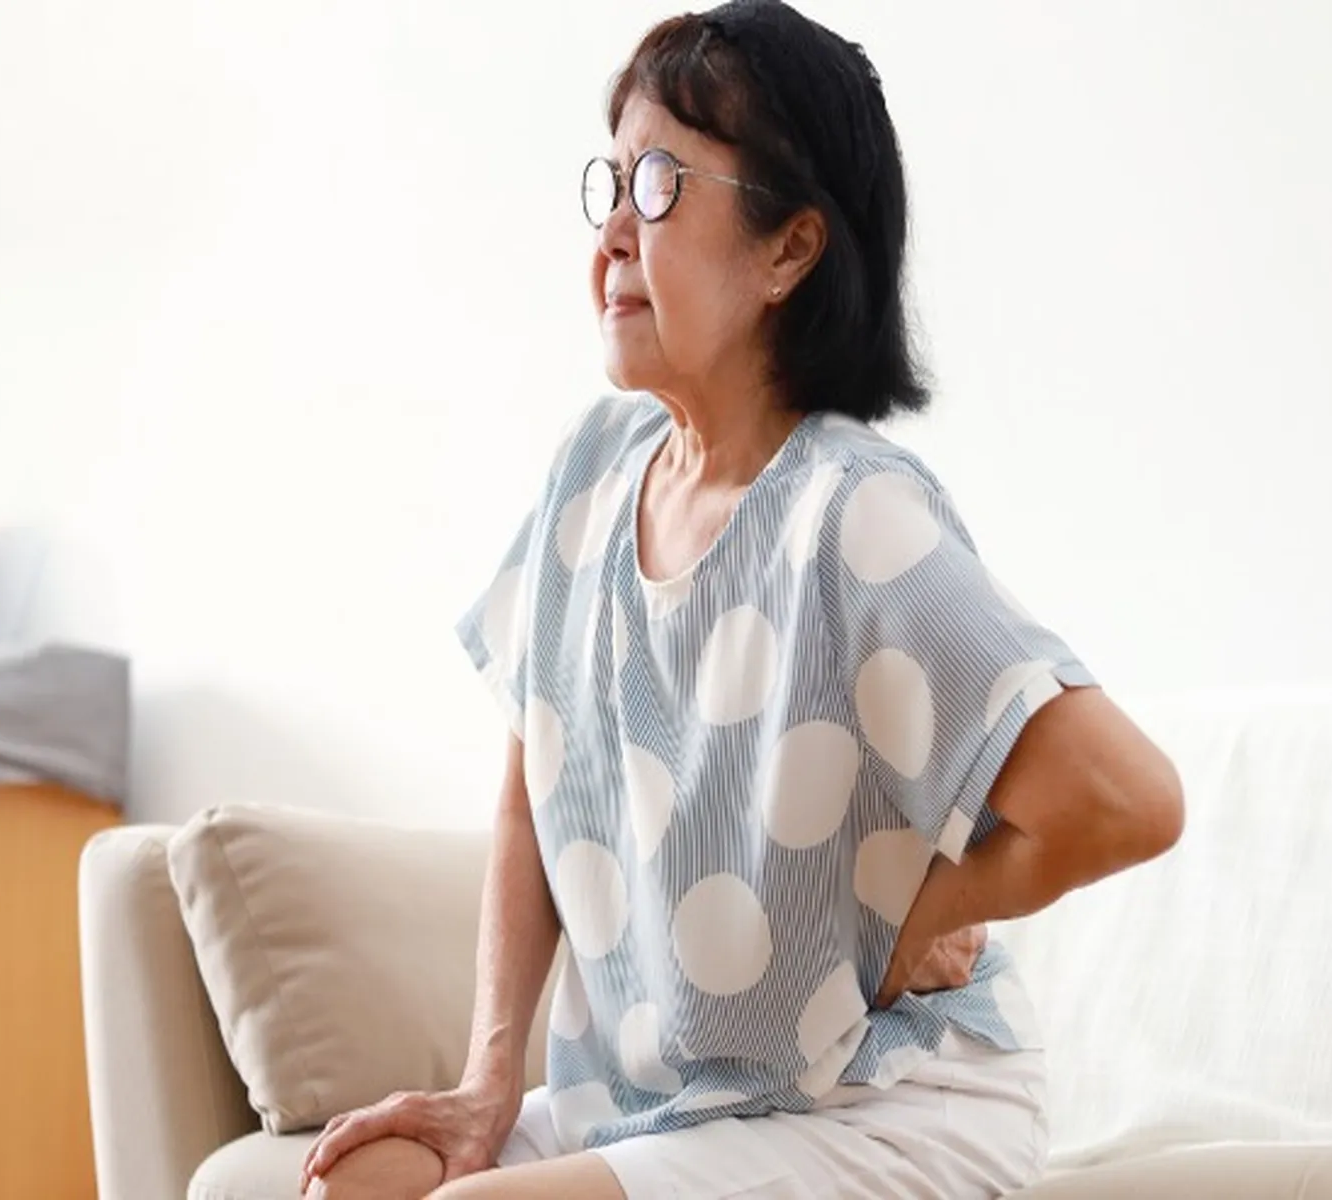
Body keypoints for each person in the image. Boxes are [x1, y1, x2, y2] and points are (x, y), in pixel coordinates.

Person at [302, 2, 1183, 1197]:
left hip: (879, 1102)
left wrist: (905, 916)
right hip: (667, 1098)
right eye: (607, 181)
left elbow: (1128, 801)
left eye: (659, 182)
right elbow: (530, 795)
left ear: (790, 249)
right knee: (336, 1187)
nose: (613, 228)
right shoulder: (587, 476)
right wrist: (487, 1083)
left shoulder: (854, 518)